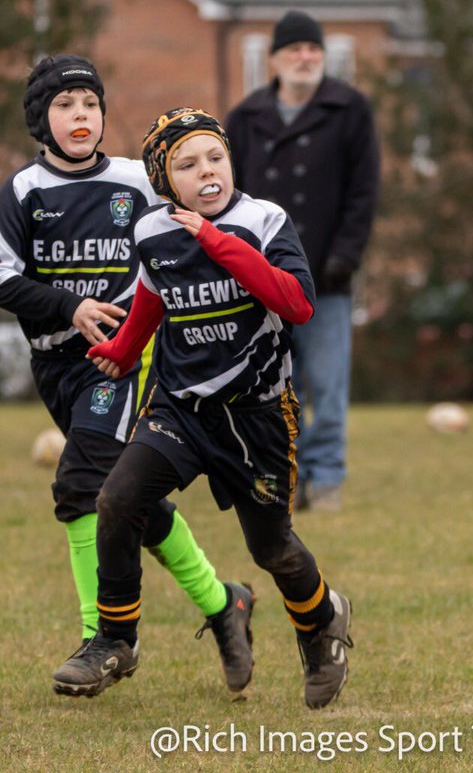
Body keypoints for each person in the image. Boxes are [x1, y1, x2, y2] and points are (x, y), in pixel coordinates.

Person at [52, 107, 353, 709]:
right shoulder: (152, 231)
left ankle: (323, 624)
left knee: (273, 550)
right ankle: (114, 639)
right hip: (181, 409)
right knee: (116, 499)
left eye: (215, 157)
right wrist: (121, 349)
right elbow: (151, 296)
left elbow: (296, 304)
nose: (207, 171)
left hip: (259, 416)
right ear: (166, 182)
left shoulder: (263, 220)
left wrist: (214, 241)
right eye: (188, 165)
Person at [0, 55, 253, 698]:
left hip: (125, 357)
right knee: (127, 498)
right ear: (41, 120)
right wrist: (67, 305)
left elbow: (209, 220)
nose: (79, 116)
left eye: (89, 104)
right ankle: (224, 602)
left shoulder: (140, 179)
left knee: (81, 484)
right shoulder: (23, 191)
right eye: (64, 106)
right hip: (57, 364)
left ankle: (105, 638)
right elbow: (2, 276)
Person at [225, 9, 380, 513]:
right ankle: (276, 478)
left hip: (328, 280)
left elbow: (364, 191)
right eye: (294, 49)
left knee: (328, 387)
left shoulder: (350, 109)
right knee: (267, 386)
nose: (305, 57)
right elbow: (229, 197)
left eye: (313, 49)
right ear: (274, 59)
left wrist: (345, 256)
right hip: (262, 281)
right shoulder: (245, 119)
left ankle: (327, 479)